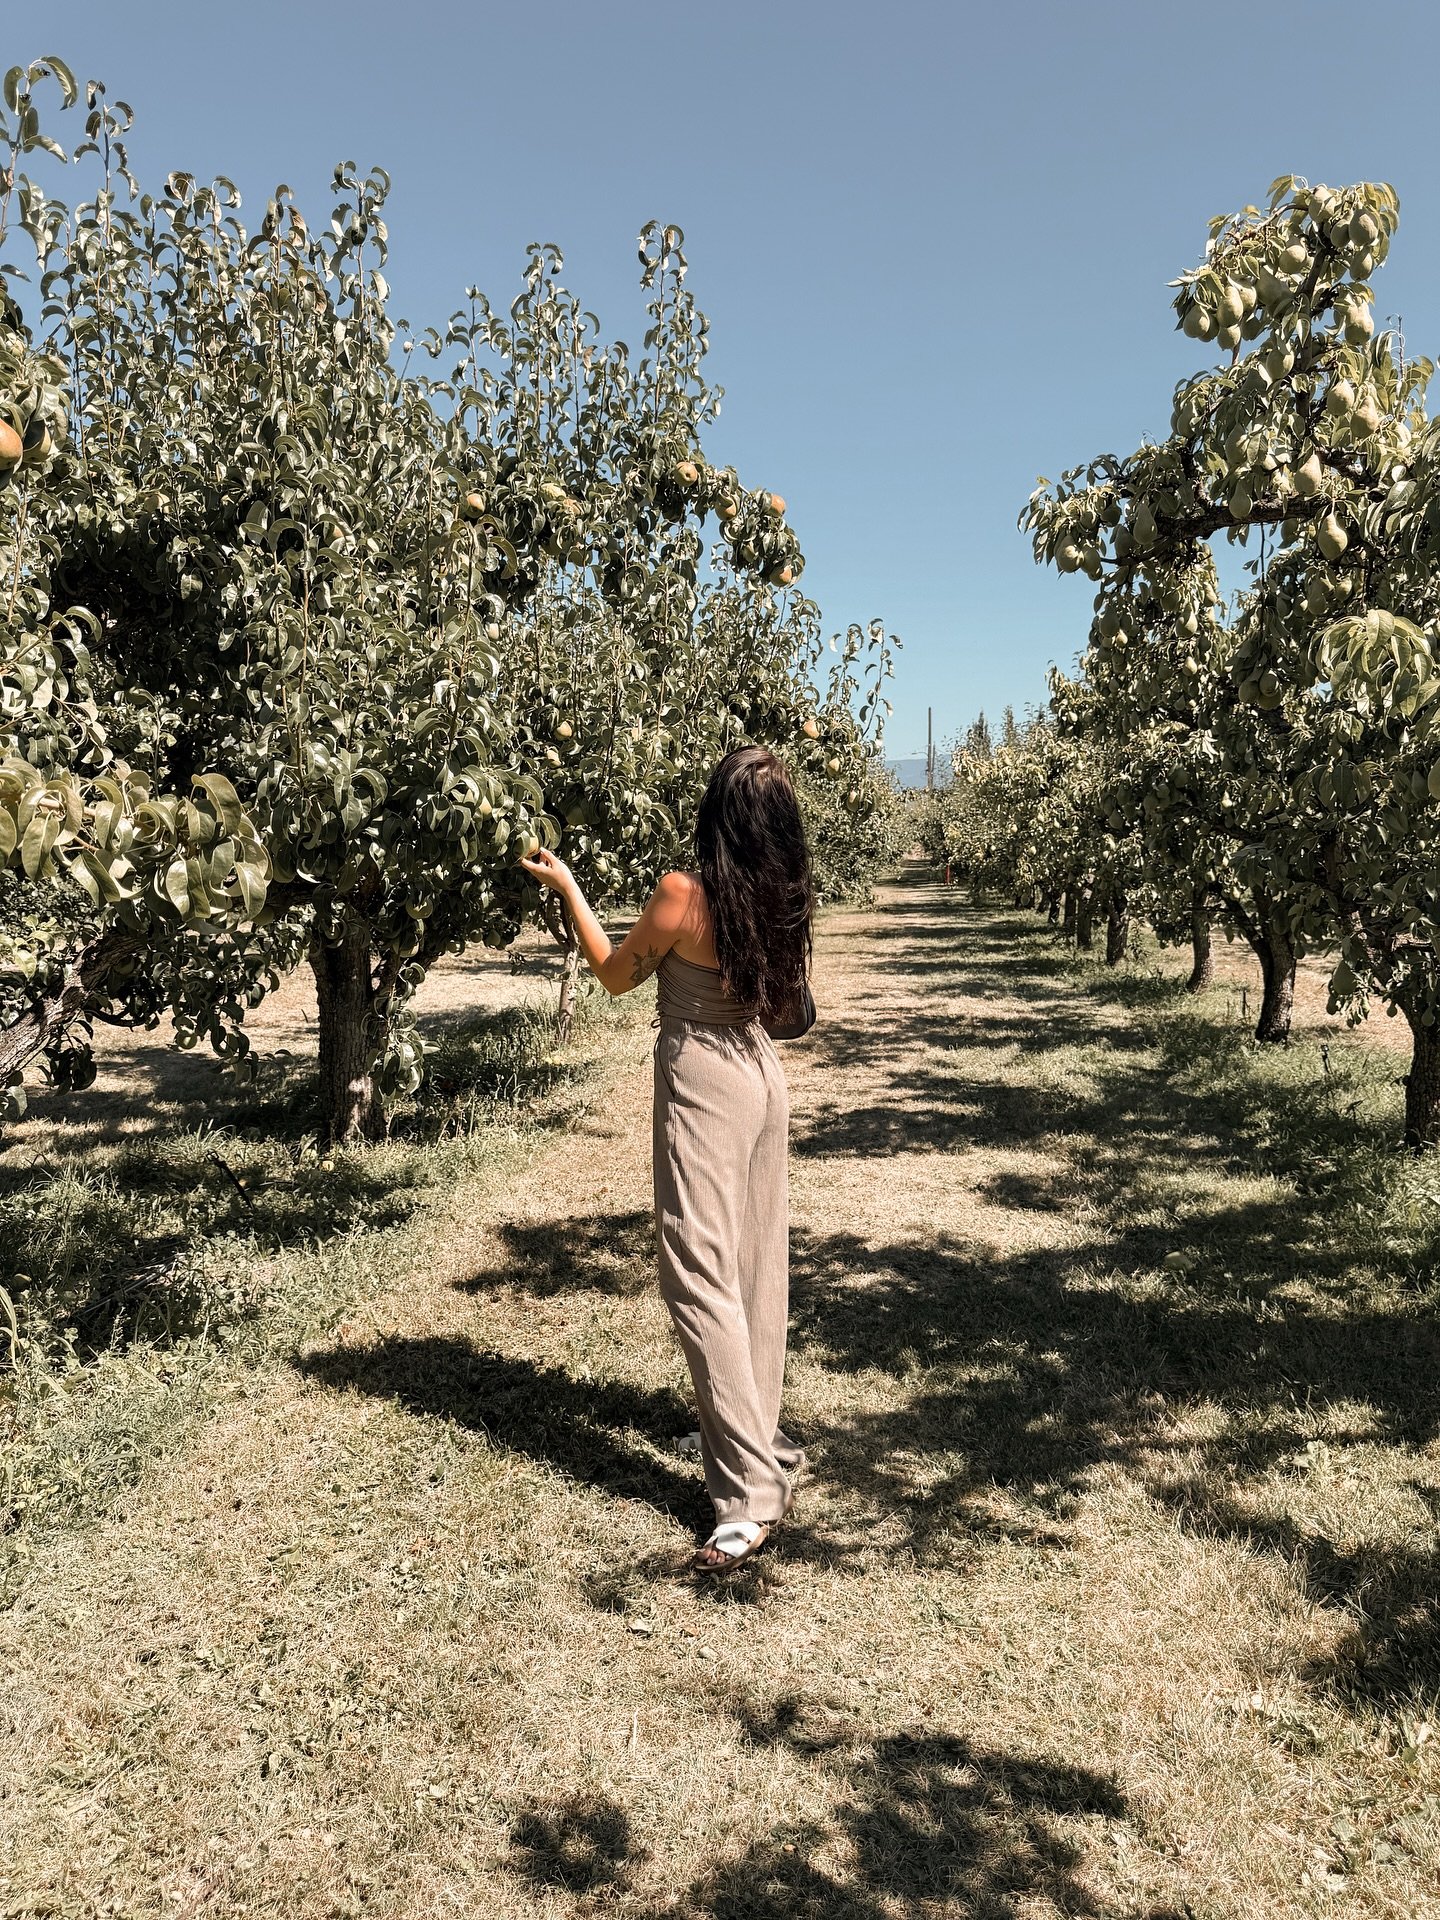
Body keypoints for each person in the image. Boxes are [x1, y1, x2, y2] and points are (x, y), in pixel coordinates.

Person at [519, 744, 812, 1574]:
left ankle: (750, 1495)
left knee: (697, 1271)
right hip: (761, 1073)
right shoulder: (780, 893)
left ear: (716, 811)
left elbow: (615, 976)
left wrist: (570, 889)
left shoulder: (685, 894)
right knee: (754, 1265)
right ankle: (759, 1439)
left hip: (706, 1084)